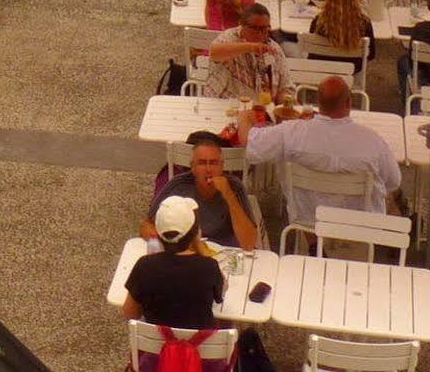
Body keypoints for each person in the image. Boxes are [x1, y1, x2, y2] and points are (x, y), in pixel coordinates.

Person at [236, 75, 402, 224]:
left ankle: (314, 244)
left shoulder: (291, 133)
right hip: (359, 225)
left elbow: (249, 142)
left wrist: (243, 117)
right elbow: (394, 181)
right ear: (349, 103)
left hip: (307, 220)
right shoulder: (373, 142)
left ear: (318, 103)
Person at [123, 196, 227, 353]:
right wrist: (200, 248)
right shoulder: (209, 267)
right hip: (200, 359)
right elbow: (220, 295)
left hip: (157, 358)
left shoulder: (145, 266)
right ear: (194, 232)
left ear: (157, 232)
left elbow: (129, 313)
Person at [143, 133, 259, 251]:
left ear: (222, 166)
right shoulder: (179, 185)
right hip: (187, 248)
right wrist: (175, 245)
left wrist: (228, 195)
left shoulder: (234, 186)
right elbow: (147, 226)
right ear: (193, 167)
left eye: (213, 163)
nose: (208, 169)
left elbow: (249, 243)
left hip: (226, 249)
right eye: (202, 163)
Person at [203, 2, 288, 102]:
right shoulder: (229, 37)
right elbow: (214, 53)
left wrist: (286, 100)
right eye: (256, 29)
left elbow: (285, 87)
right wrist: (250, 47)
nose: (261, 34)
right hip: (224, 105)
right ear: (242, 25)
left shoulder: (274, 49)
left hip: (261, 109)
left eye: (265, 29)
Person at [306, 0, 373, 75]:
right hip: (351, 71)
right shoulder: (364, 23)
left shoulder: (319, 22)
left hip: (321, 69)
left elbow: (312, 51)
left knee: (287, 45)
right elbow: (371, 54)